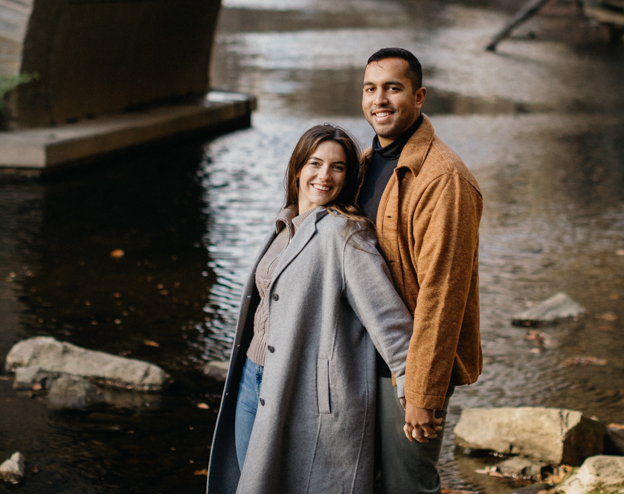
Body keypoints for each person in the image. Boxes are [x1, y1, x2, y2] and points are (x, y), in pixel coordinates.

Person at [207, 124, 415, 494]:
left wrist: (416, 396)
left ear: (348, 177)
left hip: (299, 389)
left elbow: (390, 322)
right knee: (249, 481)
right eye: (315, 163)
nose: (324, 175)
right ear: (298, 168)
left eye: (337, 167)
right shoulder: (285, 224)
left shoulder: (345, 234)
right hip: (251, 380)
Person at [358, 47, 483, 494]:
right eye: (371, 89)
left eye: (393, 88)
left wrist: (423, 393)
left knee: (407, 487)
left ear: (419, 96)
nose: (380, 100)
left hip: (406, 369)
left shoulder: (443, 178)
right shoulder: (364, 164)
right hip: (358, 359)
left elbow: (443, 292)